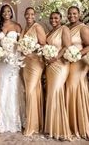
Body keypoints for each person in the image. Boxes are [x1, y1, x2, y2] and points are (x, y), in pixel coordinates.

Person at [0, 4, 25, 133]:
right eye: (4, 11)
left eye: (8, 11)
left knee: (13, 85)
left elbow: (21, 43)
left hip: (13, 60)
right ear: (1, 13)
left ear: (11, 13)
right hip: (1, 61)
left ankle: (14, 119)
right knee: (1, 84)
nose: (6, 13)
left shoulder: (17, 26)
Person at [44, 12, 72, 140]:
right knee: (51, 94)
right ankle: (51, 128)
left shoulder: (64, 29)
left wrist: (56, 58)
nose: (53, 19)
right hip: (49, 66)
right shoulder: (49, 32)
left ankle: (61, 130)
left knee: (56, 92)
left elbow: (67, 46)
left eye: (56, 18)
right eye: (51, 17)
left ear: (61, 19)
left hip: (60, 65)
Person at [20, 7, 46, 136]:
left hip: (36, 63)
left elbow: (43, 45)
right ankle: (35, 123)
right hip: (26, 64)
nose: (29, 16)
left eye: (32, 14)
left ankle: (31, 126)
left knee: (30, 91)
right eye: (27, 13)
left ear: (34, 16)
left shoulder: (37, 27)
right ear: (24, 15)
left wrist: (32, 48)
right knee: (30, 91)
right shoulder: (24, 28)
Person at [65, 6, 89, 139]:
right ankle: (70, 124)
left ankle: (81, 125)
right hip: (68, 63)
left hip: (79, 63)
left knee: (75, 88)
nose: (71, 16)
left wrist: (77, 54)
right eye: (69, 13)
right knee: (69, 89)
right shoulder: (67, 27)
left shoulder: (83, 28)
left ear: (79, 14)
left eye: (74, 13)